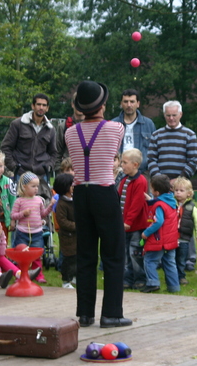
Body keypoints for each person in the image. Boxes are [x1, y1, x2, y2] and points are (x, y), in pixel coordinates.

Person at [65, 80, 131, 328]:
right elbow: (112, 153)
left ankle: (85, 313)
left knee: (85, 254)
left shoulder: (70, 132)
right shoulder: (116, 128)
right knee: (113, 253)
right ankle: (111, 313)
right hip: (104, 191)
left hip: (81, 193)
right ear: (102, 105)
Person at [1, 93, 56, 204]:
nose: (41, 107)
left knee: (42, 209)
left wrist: (48, 167)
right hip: (21, 173)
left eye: (44, 105)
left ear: (47, 108)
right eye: (38, 104)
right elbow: (5, 147)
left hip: (41, 175)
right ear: (32, 106)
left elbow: (54, 153)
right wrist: (14, 166)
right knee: (18, 207)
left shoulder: (51, 129)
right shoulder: (18, 124)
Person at [9, 172, 56, 283]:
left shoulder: (39, 200)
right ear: (24, 187)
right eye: (33, 186)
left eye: (37, 186)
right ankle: (21, 275)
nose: (36, 189)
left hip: (37, 232)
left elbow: (43, 214)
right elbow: (13, 215)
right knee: (22, 255)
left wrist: (50, 206)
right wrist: (22, 214)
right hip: (22, 232)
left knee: (37, 255)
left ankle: (39, 275)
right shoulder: (19, 201)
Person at [140, 174, 180, 293]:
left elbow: (159, 221)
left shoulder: (159, 205)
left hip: (159, 239)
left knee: (149, 260)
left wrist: (146, 233)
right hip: (171, 239)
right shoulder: (171, 201)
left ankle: (153, 283)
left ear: (156, 191)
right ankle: (174, 287)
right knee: (170, 262)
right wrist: (151, 200)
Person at [118, 148, 149, 291]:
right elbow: (118, 200)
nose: (122, 165)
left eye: (125, 162)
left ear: (135, 165)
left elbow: (137, 205)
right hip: (123, 225)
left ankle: (140, 279)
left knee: (135, 253)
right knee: (124, 254)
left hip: (135, 226)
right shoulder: (124, 180)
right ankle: (127, 279)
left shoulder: (140, 181)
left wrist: (128, 222)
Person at [148, 100, 197, 182]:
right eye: (168, 115)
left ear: (180, 114)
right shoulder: (156, 135)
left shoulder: (189, 135)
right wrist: (160, 180)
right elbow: (151, 159)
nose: (171, 118)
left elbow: (193, 160)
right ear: (164, 115)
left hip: (182, 185)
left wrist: (179, 179)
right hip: (160, 184)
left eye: (174, 115)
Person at [112, 89, 156, 172]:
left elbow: (154, 150)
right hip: (118, 172)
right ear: (121, 104)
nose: (129, 105)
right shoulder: (113, 124)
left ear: (138, 104)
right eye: (125, 102)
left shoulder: (148, 124)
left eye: (132, 102)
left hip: (142, 171)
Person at [173, 177, 197, 285]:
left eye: (181, 191)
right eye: (176, 190)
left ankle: (181, 276)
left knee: (181, 259)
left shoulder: (192, 207)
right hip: (172, 237)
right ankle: (172, 276)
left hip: (184, 238)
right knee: (172, 258)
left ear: (189, 193)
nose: (178, 193)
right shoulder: (171, 205)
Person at [53, 173, 77, 289]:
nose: (74, 187)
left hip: (77, 236)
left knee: (77, 257)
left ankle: (75, 277)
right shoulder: (62, 204)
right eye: (72, 185)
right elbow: (62, 221)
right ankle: (66, 280)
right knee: (69, 258)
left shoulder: (75, 199)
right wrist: (77, 226)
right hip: (67, 236)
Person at [55, 92, 84, 173]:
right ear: (72, 104)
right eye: (77, 103)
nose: (79, 106)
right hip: (68, 171)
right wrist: (59, 172)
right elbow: (57, 152)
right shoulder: (63, 126)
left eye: (82, 103)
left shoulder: (93, 126)